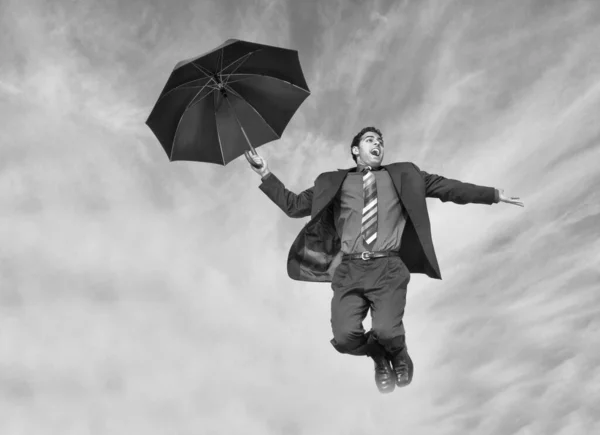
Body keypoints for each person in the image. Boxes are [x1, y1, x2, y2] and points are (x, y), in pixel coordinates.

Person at [247, 127, 524, 394]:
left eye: (380, 141)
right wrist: (264, 173)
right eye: (370, 139)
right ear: (356, 150)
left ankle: (398, 351)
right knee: (344, 338)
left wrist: (493, 195)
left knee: (387, 330)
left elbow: (448, 188)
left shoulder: (405, 175)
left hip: (388, 266)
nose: (377, 143)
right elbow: (294, 205)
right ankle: (378, 356)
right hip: (350, 270)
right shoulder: (330, 182)